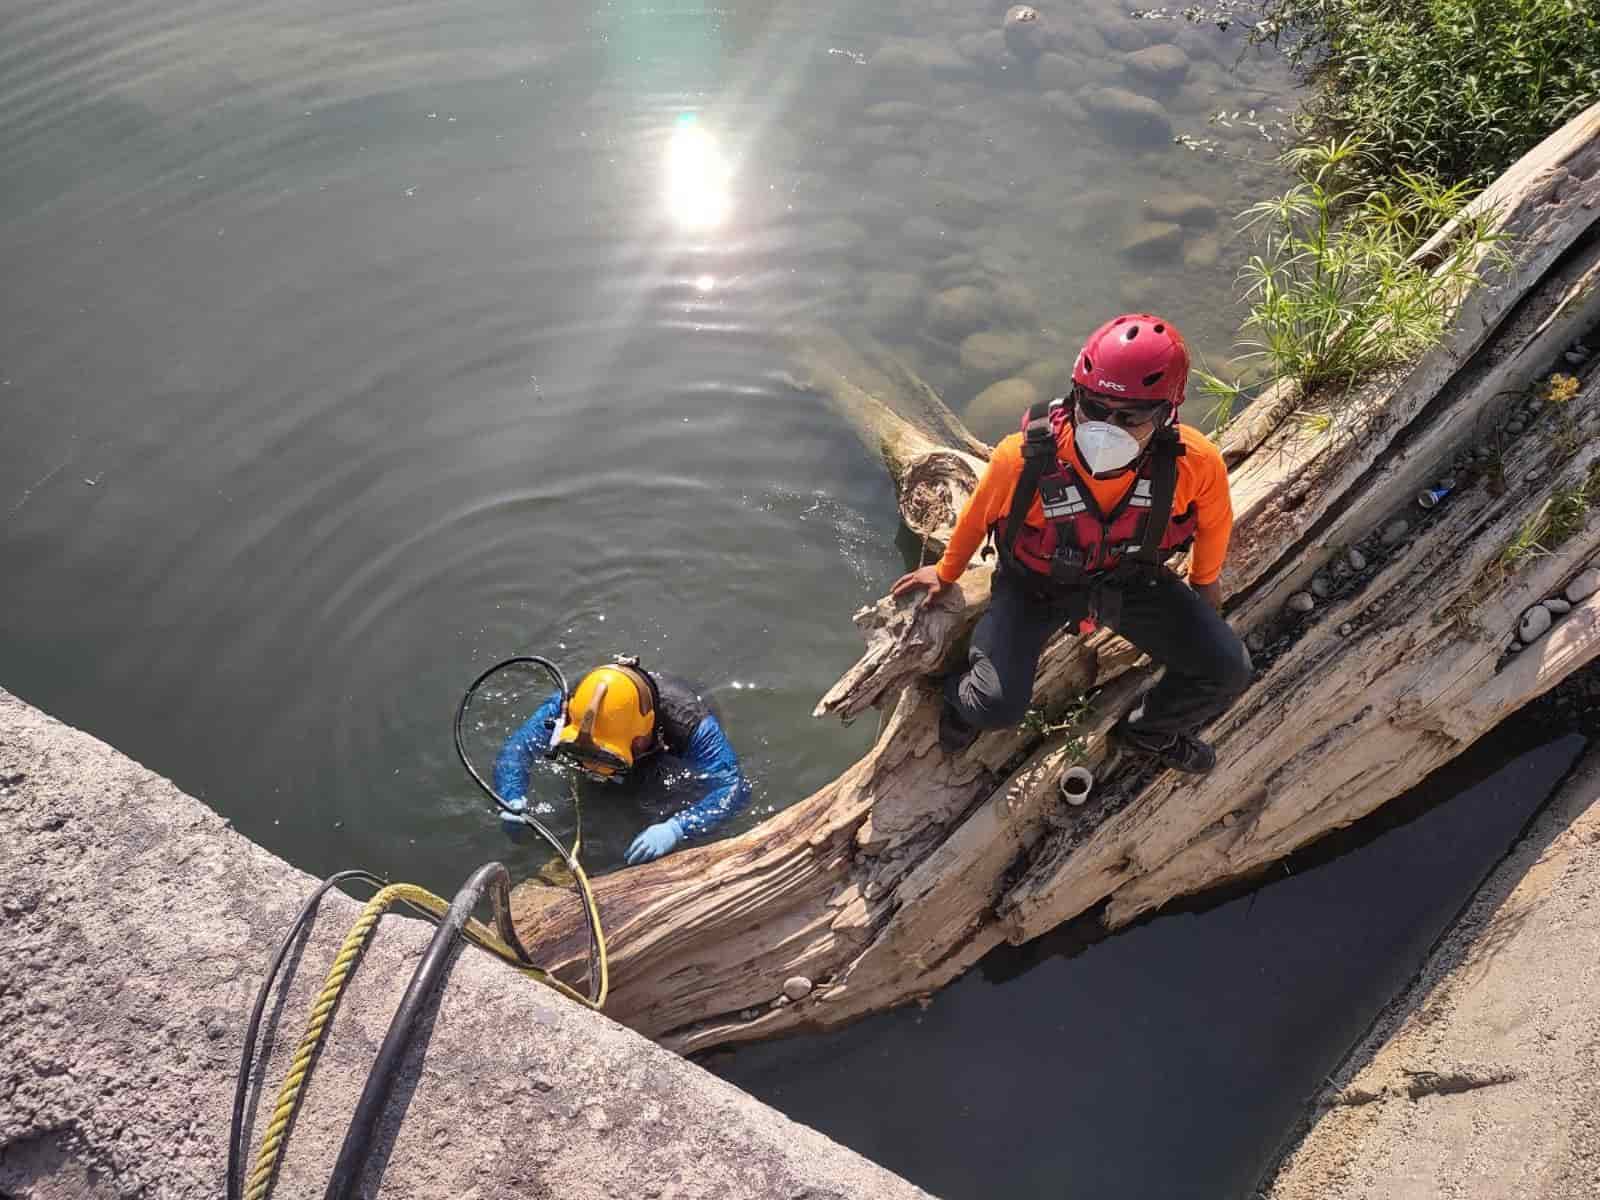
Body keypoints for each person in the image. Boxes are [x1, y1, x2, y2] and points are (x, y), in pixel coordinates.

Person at [892, 313, 1252, 773]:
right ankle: (957, 699)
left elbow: (1214, 526)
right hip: (1034, 586)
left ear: (1167, 415)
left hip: (1131, 581)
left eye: (1131, 417)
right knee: (995, 707)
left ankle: (1149, 731)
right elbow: (976, 518)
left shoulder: (1194, 463)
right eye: (1095, 408)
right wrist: (945, 573)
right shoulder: (1022, 459)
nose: (1107, 427)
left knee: (1227, 668)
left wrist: (1205, 585)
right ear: (1076, 395)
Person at [493, 657, 751, 864]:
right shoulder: (569, 705)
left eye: (607, 759)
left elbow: (732, 787)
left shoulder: (692, 725)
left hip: (668, 756)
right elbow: (517, 750)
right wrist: (512, 795)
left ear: (644, 732)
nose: (595, 771)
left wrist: (679, 827)